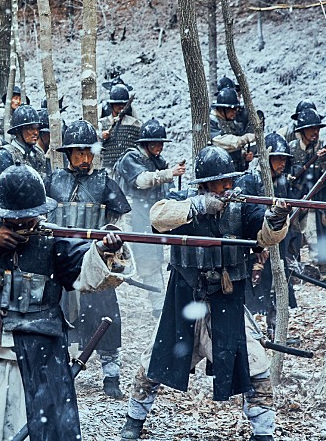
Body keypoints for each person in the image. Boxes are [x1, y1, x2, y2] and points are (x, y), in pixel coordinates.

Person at [0, 163, 135, 441]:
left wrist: (102, 248)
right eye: (14, 219)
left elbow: (85, 266)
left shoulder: (54, 241)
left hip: (39, 351)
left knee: (43, 424)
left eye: (27, 218)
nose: (22, 224)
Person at [119, 146, 291, 441]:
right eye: (221, 182)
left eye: (229, 181)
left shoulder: (241, 206)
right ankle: (134, 420)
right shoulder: (182, 202)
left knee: (255, 365)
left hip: (226, 305)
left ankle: (263, 432)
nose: (227, 187)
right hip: (184, 300)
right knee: (154, 362)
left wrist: (275, 219)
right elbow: (157, 217)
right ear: (205, 184)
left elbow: (265, 236)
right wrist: (198, 206)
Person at [45, 120, 131, 398]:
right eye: (79, 153)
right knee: (58, 315)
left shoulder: (105, 183)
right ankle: (59, 369)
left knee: (105, 314)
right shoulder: (52, 182)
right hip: (60, 260)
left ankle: (111, 375)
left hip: (96, 260)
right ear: (68, 154)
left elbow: (119, 222)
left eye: (88, 153)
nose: (85, 159)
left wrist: (111, 242)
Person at [113, 119, 185, 317]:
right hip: (132, 217)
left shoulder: (157, 162)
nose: (159, 147)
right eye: (155, 143)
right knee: (126, 262)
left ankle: (159, 305)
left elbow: (165, 190)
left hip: (149, 217)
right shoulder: (130, 158)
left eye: (161, 143)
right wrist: (169, 173)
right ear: (145, 143)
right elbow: (141, 181)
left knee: (152, 260)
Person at [235, 133, 296, 341]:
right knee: (254, 292)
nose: (282, 163)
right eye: (277, 158)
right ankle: (253, 335)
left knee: (277, 287)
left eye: (284, 159)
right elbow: (244, 217)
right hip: (255, 245)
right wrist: (258, 246)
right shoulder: (249, 181)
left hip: (277, 244)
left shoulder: (281, 182)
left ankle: (276, 331)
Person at [288, 108, 326, 278]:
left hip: (316, 200)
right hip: (295, 200)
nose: (315, 132)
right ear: (302, 130)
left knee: (315, 234)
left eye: (317, 128)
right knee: (292, 235)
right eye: (311, 128)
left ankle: (321, 268)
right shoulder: (291, 149)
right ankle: (293, 270)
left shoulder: (323, 148)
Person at [0, 104, 48, 178]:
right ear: (18, 131)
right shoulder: (5, 155)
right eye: (31, 128)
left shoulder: (39, 154)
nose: (36, 132)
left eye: (37, 128)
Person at [210, 87, 255, 172]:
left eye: (236, 109)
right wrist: (244, 139)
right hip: (218, 171)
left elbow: (233, 147)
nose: (235, 112)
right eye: (232, 109)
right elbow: (219, 142)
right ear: (222, 108)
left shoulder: (230, 122)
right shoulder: (212, 121)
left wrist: (243, 155)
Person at [99, 84, 142, 171]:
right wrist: (100, 136)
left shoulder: (135, 124)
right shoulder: (101, 124)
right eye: (118, 104)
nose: (121, 106)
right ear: (112, 105)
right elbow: (92, 147)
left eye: (123, 104)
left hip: (129, 170)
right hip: (108, 170)